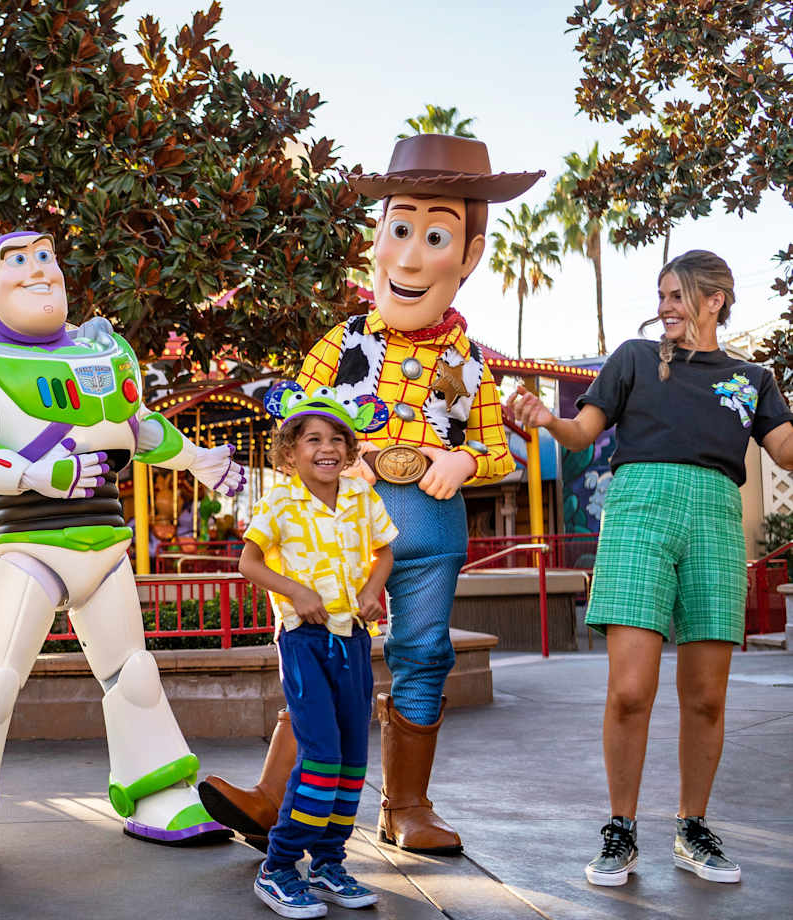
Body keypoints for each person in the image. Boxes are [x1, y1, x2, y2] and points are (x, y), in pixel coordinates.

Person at [201, 135, 540, 855]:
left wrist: (462, 461)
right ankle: (274, 796)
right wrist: (328, 470)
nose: (411, 258)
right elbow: (294, 429)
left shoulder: (470, 362)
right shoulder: (340, 342)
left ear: (470, 255)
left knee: (424, 653)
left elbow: (495, 452)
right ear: (377, 238)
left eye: (436, 236)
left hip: (430, 525)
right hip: (341, 525)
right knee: (322, 645)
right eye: (400, 229)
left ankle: (406, 805)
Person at [0, 230, 246, 865]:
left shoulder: (100, 352)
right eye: (17, 261)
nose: (38, 270)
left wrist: (202, 461)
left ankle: (158, 793)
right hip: (30, 546)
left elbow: (139, 430)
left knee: (135, 674)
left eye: (46, 258)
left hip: (105, 544)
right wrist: (34, 474)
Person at [508, 250, 793, 888]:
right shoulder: (634, 359)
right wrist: (547, 419)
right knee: (631, 690)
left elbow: (784, 450)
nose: (663, 307)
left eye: (676, 295)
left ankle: (693, 828)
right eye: (660, 295)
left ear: (714, 300)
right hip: (638, 514)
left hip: (715, 519)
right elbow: (581, 432)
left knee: (707, 698)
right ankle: (621, 828)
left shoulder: (752, 378)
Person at [242, 384, 395, 918]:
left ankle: (329, 863)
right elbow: (249, 562)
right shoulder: (278, 500)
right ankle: (279, 866)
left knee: (352, 759)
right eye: (313, 439)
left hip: (354, 639)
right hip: (305, 642)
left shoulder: (360, 496)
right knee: (323, 755)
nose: (326, 448)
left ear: (350, 449)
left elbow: (384, 552)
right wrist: (296, 592)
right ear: (290, 451)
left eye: (336, 439)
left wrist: (373, 589)